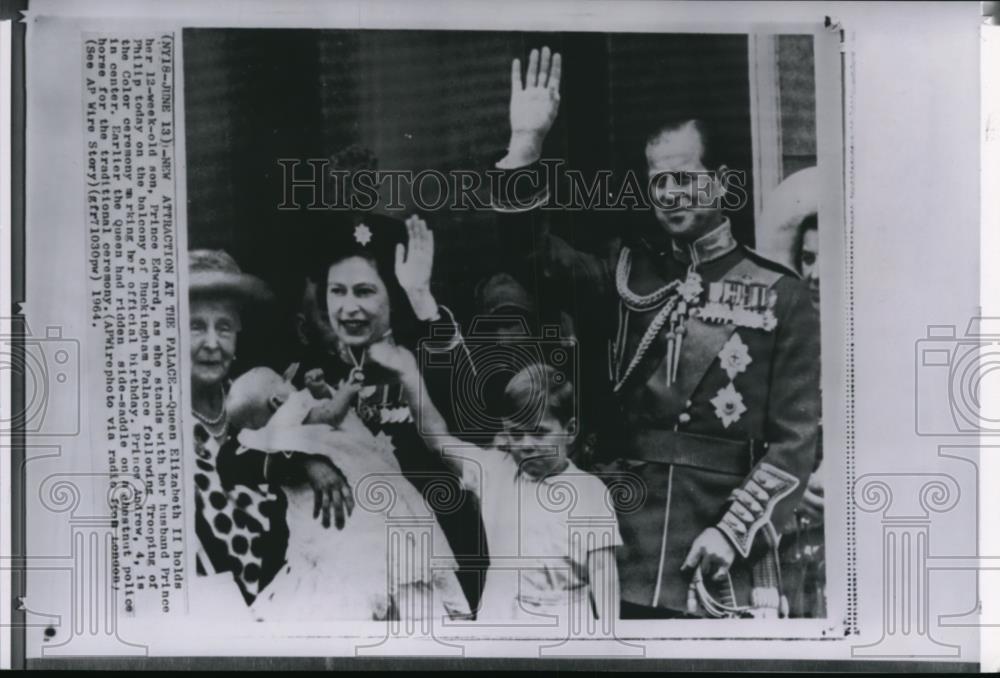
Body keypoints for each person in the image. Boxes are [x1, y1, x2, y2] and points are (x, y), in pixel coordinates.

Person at [489, 47, 821, 618]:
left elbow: (794, 443)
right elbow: (530, 255)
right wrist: (526, 147)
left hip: (721, 548)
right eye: (659, 180)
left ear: (721, 181)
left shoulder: (781, 294)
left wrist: (732, 532)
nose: (670, 193)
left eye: (685, 178)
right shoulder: (621, 272)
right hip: (621, 546)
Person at [292, 211, 487, 613]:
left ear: (392, 295)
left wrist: (424, 303)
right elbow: (251, 451)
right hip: (355, 578)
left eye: (364, 291)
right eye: (337, 291)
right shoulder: (311, 374)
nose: (348, 308)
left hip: (440, 562)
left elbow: (477, 425)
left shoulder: (424, 355)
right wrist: (305, 460)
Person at [367, 342, 622, 623]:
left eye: (539, 433)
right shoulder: (494, 471)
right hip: (499, 619)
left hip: (564, 622)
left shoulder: (590, 492)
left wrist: (608, 639)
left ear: (570, 430)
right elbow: (437, 440)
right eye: (515, 434)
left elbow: (602, 573)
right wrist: (409, 376)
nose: (526, 445)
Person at [224, 366, 470, 621]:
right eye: (284, 383)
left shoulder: (272, 427)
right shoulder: (285, 417)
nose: (294, 387)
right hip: (348, 520)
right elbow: (231, 460)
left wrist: (323, 391)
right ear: (276, 401)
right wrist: (303, 463)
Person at [188, 250, 355, 608]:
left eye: (224, 327)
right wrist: (301, 462)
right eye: (196, 326)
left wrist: (305, 459)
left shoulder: (261, 402)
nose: (213, 343)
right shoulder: (155, 433)